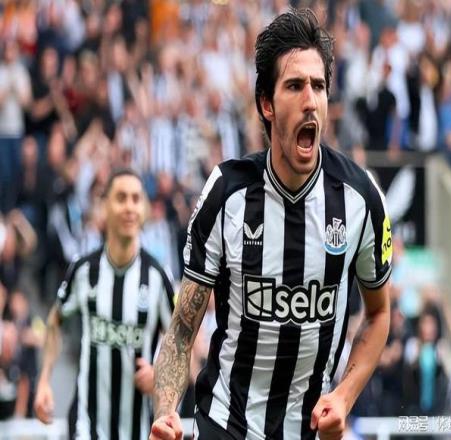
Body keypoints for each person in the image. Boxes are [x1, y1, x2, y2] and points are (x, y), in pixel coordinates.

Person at [150, 9, 392, 440]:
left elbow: (378, 314)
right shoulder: (226, 193)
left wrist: (343, 396)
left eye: (319, 86)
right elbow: (183, 328)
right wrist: (166, 411)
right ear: (267, 104)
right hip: (226, 425)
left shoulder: (360, 198)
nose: (310, 100)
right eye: (295, 86)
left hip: (309, 430)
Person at [34, 168, 175, 439]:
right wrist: (44, 381)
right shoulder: (84, 270)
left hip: (139, 429)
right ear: (105, 206)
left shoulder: (158, 277)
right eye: (121, 198)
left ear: (144, 209)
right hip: (86, 425)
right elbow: (54, 321)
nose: (129, 207)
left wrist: (161, 375)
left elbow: (182, 345)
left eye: (136, 198)